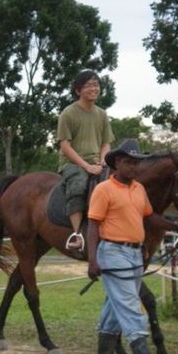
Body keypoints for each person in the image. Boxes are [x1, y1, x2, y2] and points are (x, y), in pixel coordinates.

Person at [86, 139, 178, 354]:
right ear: (117, 163)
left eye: (137, 162)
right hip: (113, 252)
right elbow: (93, 226)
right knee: (131, 306)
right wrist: (92, 260)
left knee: (114, 310)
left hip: (135, 254)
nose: (134, 166)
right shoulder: (104, 189)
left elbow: (150, 217)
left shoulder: (138, 189)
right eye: (129, 162)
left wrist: (177, 227)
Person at [57, 69, 114, 252]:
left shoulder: (102, 114)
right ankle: (77, 234)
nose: (93, 88)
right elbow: (65, 146)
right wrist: (86, 166)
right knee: (79, 184)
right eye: (88, 85)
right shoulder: (68, 113)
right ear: (77, 91)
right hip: (73, 163)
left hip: (97, 162)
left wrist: (103, 159)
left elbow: (106, 143)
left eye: (96, 84)